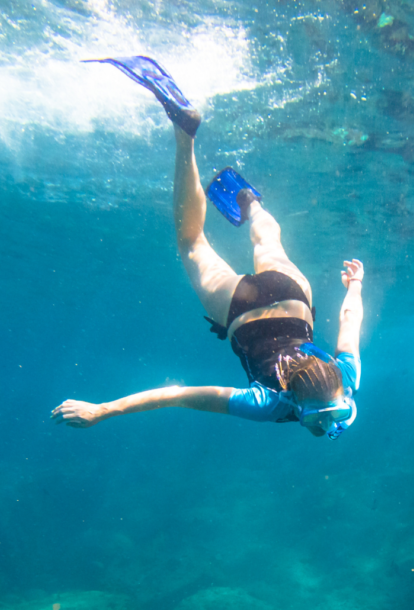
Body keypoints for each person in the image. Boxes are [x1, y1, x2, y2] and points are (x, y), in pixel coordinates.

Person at [51, 57, 364, 439]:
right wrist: (102, 410)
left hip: (292, 297)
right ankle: (185, 137)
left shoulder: (348, 375)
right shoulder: (267, 405)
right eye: (327, 418)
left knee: (269, 240)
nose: (330, 426)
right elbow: (179, 396)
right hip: (238, 309)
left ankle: (250, 204)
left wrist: (356, 286)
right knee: (191, 241)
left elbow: (350, 321)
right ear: (298, 406)